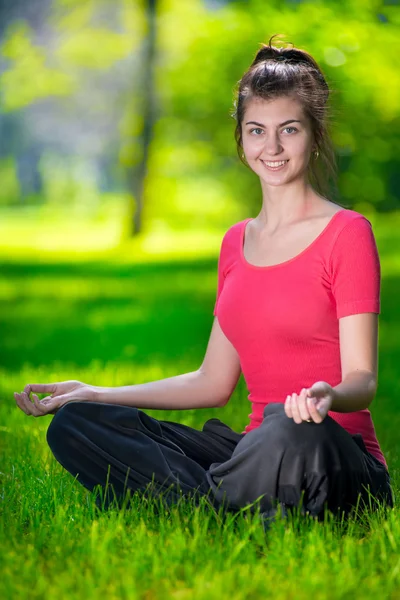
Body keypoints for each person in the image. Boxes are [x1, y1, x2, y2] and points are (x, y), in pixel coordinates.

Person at [14, 36, 394, 525]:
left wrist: (326, 395)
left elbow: (362, 381)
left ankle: (206, 500)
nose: (272, 147)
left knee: (287, 426)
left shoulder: (347, 233)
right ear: (241, 138)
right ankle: (235, 500)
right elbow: (212, 381)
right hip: (252, 449)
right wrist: (95, 392)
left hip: (330, 451)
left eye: (289, 130)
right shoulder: (235, 243)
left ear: (315, 136)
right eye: (257, 130)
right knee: (77, 425)